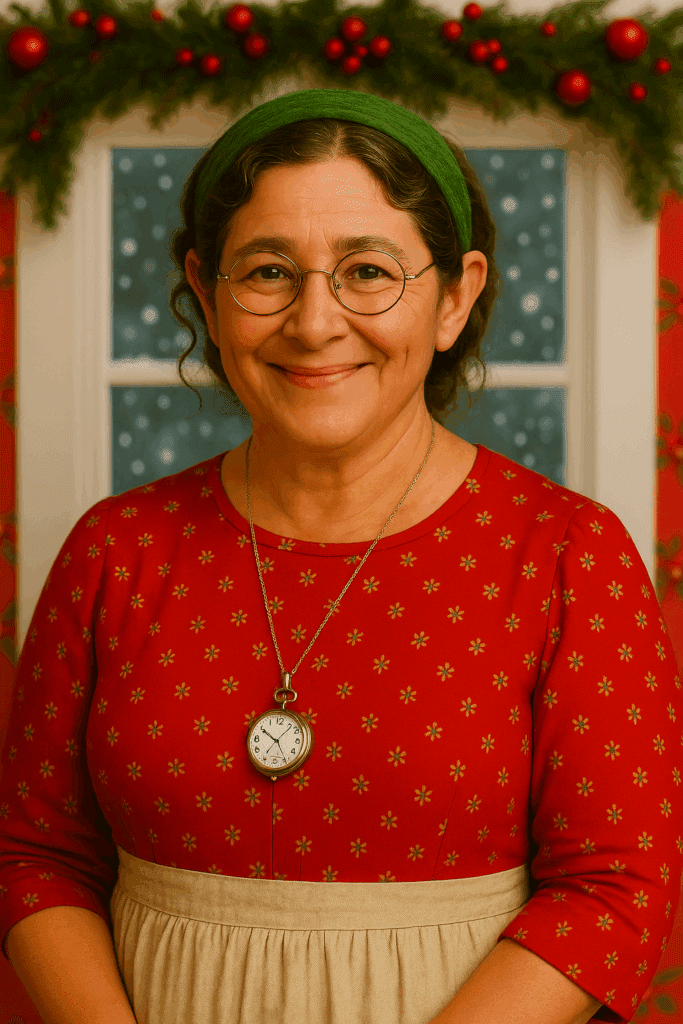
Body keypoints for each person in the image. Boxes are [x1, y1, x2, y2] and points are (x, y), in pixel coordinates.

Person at [0, 88, 680, 1024]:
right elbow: (36, 855)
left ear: (455, 295)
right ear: (206, 292)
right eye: (267, 272)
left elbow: (614, 889)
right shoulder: (116, 549)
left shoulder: (568, 553)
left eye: (367, 272)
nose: (314, 323)